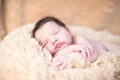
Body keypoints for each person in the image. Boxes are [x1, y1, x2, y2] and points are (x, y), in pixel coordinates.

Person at [32, 16, 120, 70]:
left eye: (55, 33)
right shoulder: (56, 54)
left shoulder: (78, 39)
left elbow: (92, 56)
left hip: (104, 46)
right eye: (46, 42)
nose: (53, 40)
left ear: (67, 30)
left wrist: (68, 57)